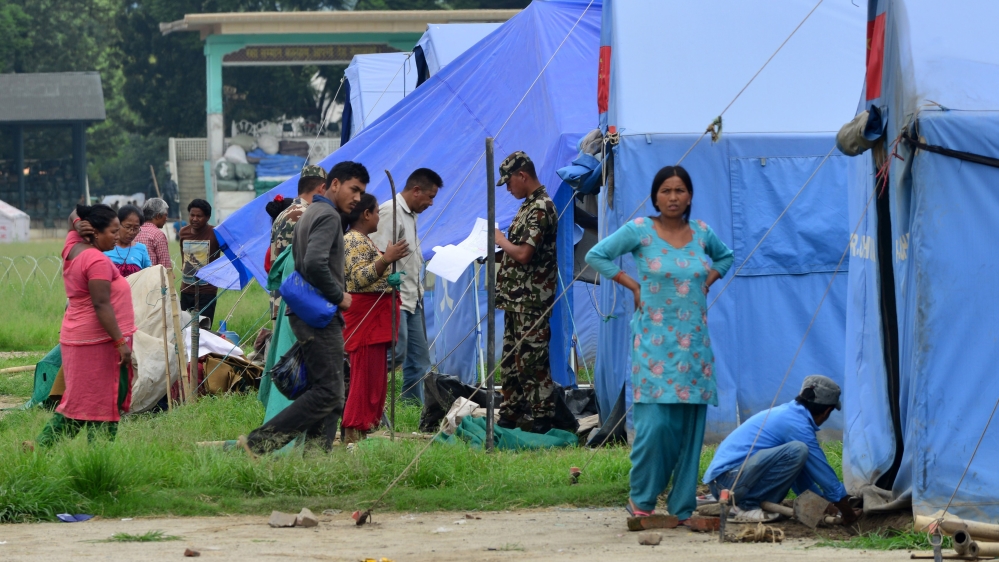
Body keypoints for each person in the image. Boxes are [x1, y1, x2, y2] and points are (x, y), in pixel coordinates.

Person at [585, 165, 733, 523]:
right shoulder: (641, 231)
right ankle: (642, 502)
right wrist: (631, 285)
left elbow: (726, 257)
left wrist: (707, 281)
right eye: (665, 191)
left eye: (679, 190)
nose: (672, 197)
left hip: (694, 346)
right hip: (653, 345)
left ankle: (682, 508)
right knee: (654, 428)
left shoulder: (702, 233)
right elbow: (596, 255)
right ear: (655, 196)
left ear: (690, 196)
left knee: (689, 430)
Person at [241, 161, 367, 455]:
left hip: (304, 312)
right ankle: (259, 444)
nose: (358, 197)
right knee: (329, 392)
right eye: (354, 189)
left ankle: (314, 460)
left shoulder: (310, 213)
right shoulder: (328, 217)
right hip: (318, 315)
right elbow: (312, 262)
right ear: (333, 185)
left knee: (327, 393)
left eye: (362, 192)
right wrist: (339, 296)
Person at [30, 205, 136, 448]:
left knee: (81, 398)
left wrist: (77, 221)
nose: (118, 236)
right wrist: (120, 342)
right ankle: (99, 455)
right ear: (95, 233)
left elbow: (72, 215)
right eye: (113, 231)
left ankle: (43, 445)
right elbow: (101, 304)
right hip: (101, 341)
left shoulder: (73, 246)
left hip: (78, 337)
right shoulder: (96, 259)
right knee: (108, 397)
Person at [703, 375, 861, 525]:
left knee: (798, 453)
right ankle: (747, 507)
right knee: (798, 449)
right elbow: (825, 476)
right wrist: (847, 512)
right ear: (827, 411)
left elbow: (799, 474)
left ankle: (744, 504)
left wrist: (825, 506)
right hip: (729, 483)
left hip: (725, 482)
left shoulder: (788, 414)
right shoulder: (797, 425)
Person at [493, 152, 559, 434]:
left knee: (532, 361)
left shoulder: (541, 207)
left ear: (523, 175)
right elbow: (515, 254)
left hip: (531, 300)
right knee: (510, 361)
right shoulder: (527, 206)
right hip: (515, 299)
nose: (509, 189)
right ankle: (511, 413)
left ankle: (543, 418)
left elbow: (523, 253)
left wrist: (499, 240)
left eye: (509, 183)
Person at [341, 193, 410, 444]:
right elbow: (359, 278)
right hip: (366, 316)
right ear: (366, 214)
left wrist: (387, 274)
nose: (379, 217)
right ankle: (352, 430)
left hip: (376, 314)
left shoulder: (363, 240)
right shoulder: (354, 240)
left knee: (375, 378)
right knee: (364, 377)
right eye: (377, 212)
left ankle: (362, 428)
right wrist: (386, 259)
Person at [371, 168, 442, 404]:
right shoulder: (390, 212)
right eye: (430, 196)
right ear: (416, 190)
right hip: (395, 297)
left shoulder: (410, 215)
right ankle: (362, 389)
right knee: (394, 354)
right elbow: (377, 254)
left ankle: (411, 407)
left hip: (412, 298)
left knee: (420, 360)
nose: (431, 203)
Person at [267, 165, 328, 318]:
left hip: (285, 299)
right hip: (294, 302)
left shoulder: (288, 212)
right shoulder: (303, 214)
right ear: (322, 188)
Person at [178, 199, 220, 329]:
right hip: (186, 289)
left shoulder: (215, 233)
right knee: (183, 327)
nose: (195, 219)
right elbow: (183, 257)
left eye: (199, 216)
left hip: (207, 290)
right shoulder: (183, 232)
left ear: (207, 217)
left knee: (203, 329)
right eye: (192, 215)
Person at [104, 205, 152, 277]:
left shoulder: (141, 249)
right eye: (128, 227)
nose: (131, 232)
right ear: (118, 224)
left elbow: (149, 274)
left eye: (136, 228)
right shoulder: (105, 247)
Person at [135, 198, 173, 269]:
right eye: (166, 215)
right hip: (152, 278)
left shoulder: (134, 231)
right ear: (158, 216)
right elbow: (165, 266)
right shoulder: (158, 235)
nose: (166, 219)